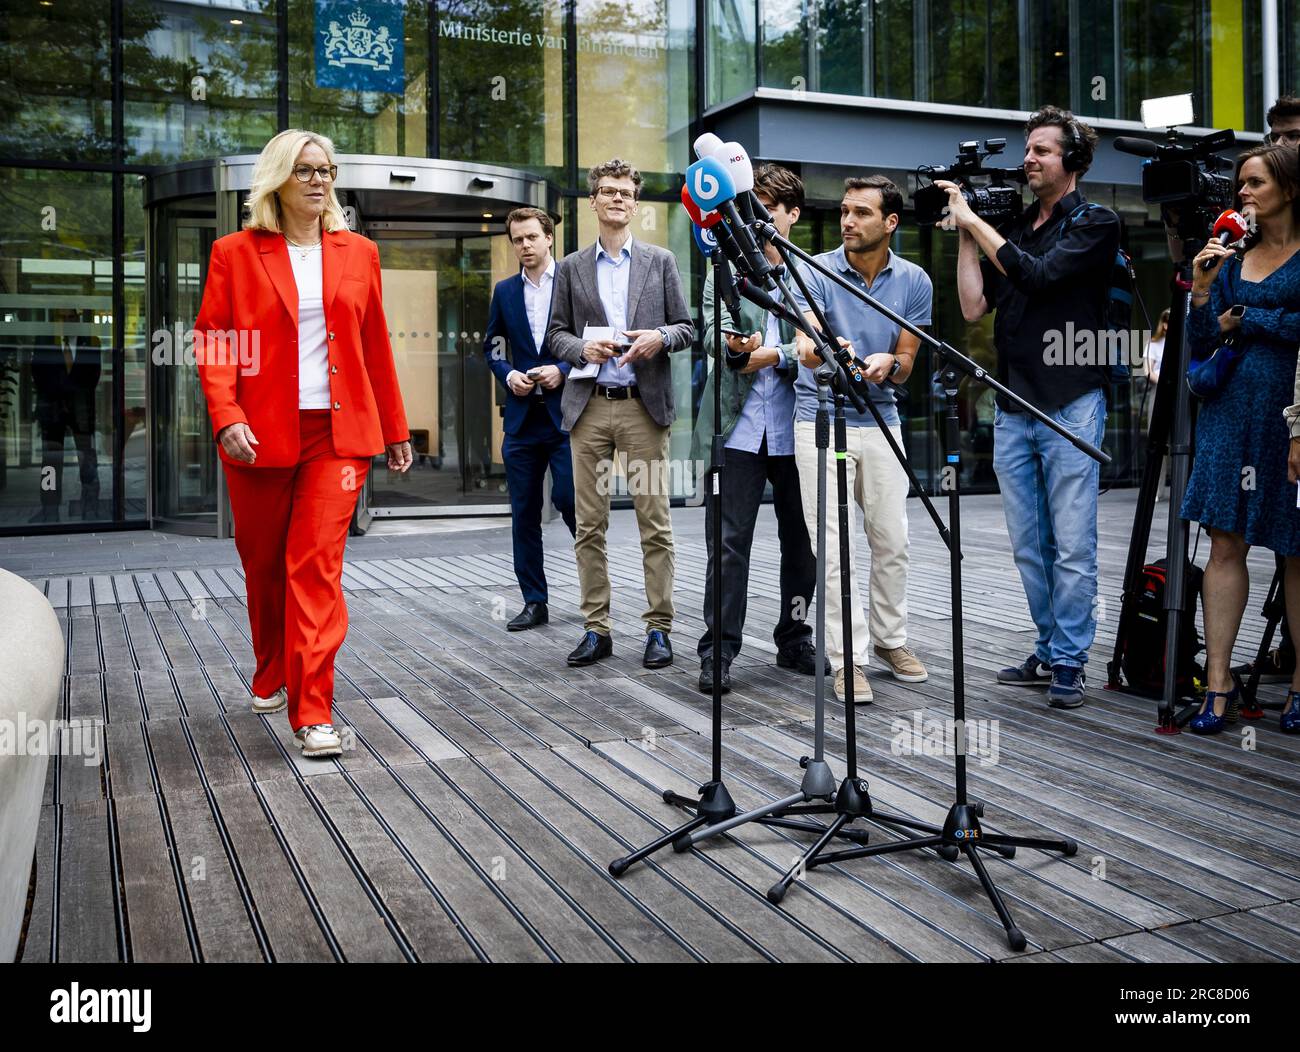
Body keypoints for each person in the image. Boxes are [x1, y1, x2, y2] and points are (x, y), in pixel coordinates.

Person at [194, 129, 412, 758]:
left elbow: (374, 345)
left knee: (314, 567)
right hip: (258, 436)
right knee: (264, 566)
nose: (319, 180)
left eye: (326, 170)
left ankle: (312, 708)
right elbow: (215, 341)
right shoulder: (236, 253)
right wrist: (226, 414)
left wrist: (393, 428)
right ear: (278, 180)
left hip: (337, 437)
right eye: (305, 171)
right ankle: (271, 668)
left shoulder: (359, 253)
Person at [942, 105, 1119, 710]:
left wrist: (973, 220)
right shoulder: (1014, 226)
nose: (1030, 159)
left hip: (1070, 404)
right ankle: (1049, 646)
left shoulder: (1097, 223)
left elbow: (1041, 277)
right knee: (1028, 543)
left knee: (1072, 544)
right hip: (1014, 404)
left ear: (1072, 161)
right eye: (1028, 149)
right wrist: (968, 235)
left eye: (1043, 150)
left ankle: (1070, 658)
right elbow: (971, 308)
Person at [547, 158, 694, 669]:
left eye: (625, 193)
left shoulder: (660, 261)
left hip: (642, 411)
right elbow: (556, 334)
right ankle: (596, 628)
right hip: (588, 412)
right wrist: (579, 352)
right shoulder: (569, 267)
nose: (616, 199)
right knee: (590, 525)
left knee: (655, 524)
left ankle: (659, 629)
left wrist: (661, 337)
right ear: (593, 201)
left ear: (635, 204)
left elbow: (686, 327)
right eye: (607, 191)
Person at [791, 175, 931, 705]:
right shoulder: (816, 269)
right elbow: (805, 346)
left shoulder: (914, 281)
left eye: (862, 213)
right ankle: (847, 659)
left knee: (892, 539)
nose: (848, 221)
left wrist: (889, 363)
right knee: (834, 548)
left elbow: (908, 362)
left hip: (881, 417)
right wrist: (827, 348)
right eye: (845, 211)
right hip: (820, 419)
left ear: (890, 222)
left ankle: (890, 639)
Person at [1181, 143, 1300, 734]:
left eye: (1255, 184)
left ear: (1291, 189)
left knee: (1295, 548)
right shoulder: (1231, 258)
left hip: (1290, 417)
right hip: (1229, 415)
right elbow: (1202, 341)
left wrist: (1249, 319)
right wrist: (1203, 291)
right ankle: (1219, 683)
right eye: (1240, 186)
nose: (1243, 194)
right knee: (1224, 543)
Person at [691, 163, 821, 693]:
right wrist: (737, 346)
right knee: (727, 544)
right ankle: (718, 649)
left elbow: (822, 346)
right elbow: (711, 337)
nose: (756, 219)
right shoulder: (722, 266)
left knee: (804, 543)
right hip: (737, 431)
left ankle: (793, 636)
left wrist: (773, 353)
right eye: (750, 208)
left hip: (798, 430)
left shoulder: (812, 274)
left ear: (792, 215)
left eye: (767, 210)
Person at [483, 206, 576, 632]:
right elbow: (493, 348)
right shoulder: (504, 291)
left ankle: (598, 595)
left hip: (565, 418)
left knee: (572, 502)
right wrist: (509, 374)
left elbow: (590, 342)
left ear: (549, 238)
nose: (524, 246)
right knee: (524, 513)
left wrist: (564, 369)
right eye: (517, 239)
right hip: (521, 421)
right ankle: (534, 602)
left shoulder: (574, 283)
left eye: (531, 237)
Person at [30, 307, 101, 523]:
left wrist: (74, 396)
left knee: (87, 459)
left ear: (78, 319)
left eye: (72, 317)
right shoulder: (44, 340)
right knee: (51, 462)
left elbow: (93, 375)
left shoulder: (92, 341)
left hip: (81, 409)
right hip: (53, 409)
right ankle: (49, 509)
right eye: (63, 317)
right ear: (56, 320)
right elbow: (37, 372)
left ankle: (90, 506)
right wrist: (58, 395)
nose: (67, 320)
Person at [1143, 309, 1170, 501]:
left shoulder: (1185, 343)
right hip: (1159, 392)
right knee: (1156, 442)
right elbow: (1147, 371)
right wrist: (1165, 382)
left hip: (1180, 396)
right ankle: (1155, 491)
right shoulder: (1153, 344)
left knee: (1180, 443)